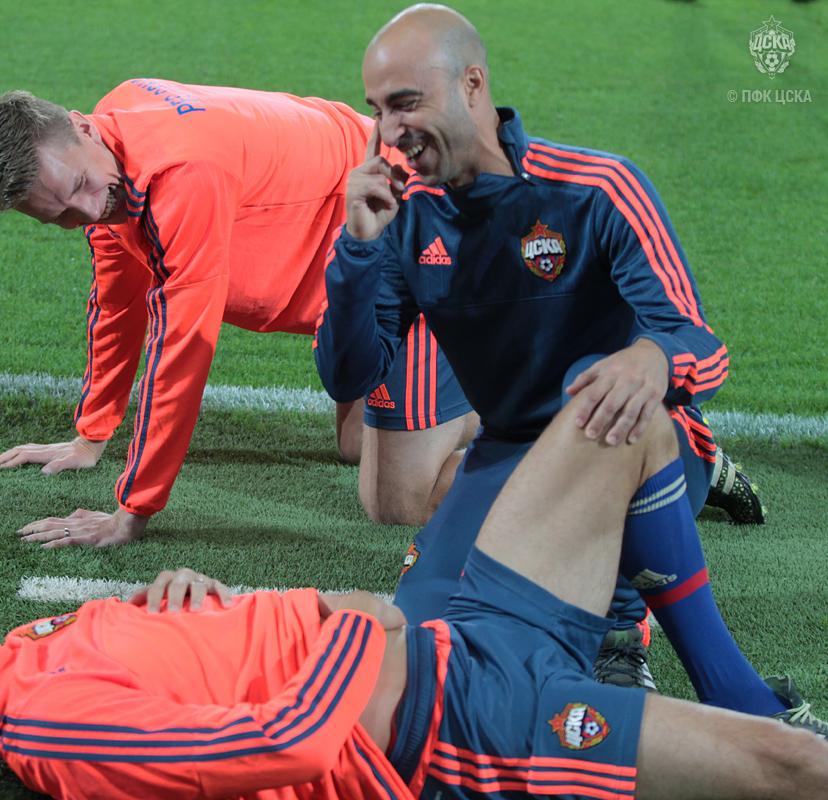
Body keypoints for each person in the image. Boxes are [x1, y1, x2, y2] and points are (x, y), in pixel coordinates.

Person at [0, 395, 826, 800]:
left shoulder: (33, 648)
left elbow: (216, 674)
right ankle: (680, 696)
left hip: (452, 632)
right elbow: (277, 746)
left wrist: (211, 599)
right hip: (461, 722)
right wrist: (357, 629)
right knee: (793, 768)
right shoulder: (46, 725)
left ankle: (667, 663)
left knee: (622, 414)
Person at [312, 5, 775, 700]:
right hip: (507, 451)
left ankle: (629, 629)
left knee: (604, 398)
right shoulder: (405, 220)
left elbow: (701, 347)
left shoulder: (598, 189)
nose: (390, 131)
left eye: (406, 103)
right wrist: (355, 252)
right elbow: (349, 374)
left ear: (472, 84)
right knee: (422, 663)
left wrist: (653, 359)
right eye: (378, 110)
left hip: (624, 435)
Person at [0, 83, 480, 546]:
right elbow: (117, 300)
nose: (89, 211)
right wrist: (92, 434)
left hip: (415, 226)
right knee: (356, 444)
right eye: (62, 216)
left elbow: (181, 349)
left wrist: (130, 513)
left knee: (398, 502)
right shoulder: (112, 139)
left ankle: (521, 433)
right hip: (361, 250)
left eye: (81, 185)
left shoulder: (183, 174)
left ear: (82, 128)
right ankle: (492, 379)